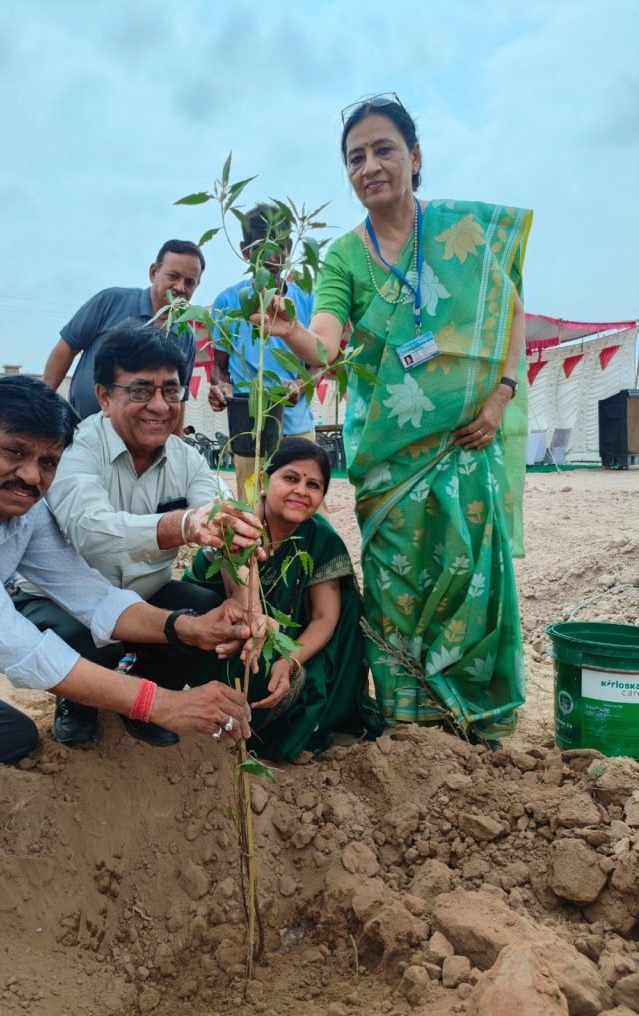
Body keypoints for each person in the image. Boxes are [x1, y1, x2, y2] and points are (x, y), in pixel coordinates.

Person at [0, 376, 257, 904]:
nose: (31, 476)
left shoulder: (21, 515)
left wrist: (184, 627)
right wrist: (159, 702)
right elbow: (9, 642)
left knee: (9, 740)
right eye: (14, 452)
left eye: (48, 462)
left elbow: (92, 595)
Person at [257, 94, 532, 746]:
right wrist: (293, 330)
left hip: (468, 440)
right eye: (355, 157)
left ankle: (477, 716)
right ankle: (410, 717)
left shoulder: (464, 232)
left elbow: (512, 313)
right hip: (388, 453)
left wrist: (500, 397)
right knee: (397, 579)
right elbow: (325, 344)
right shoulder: (343, 259)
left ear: (414, 156)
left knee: (470, 572)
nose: (370, 165)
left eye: (383, 149)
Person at [17, 323, 263, 747]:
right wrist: (181, 524)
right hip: (61, 600)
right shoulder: (75, 450)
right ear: (103, 396)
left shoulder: (189, 461)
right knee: (78, 634)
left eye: (171, 390)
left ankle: (148, 695)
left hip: (145, 595)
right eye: (139, 390)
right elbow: (90, 532)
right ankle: (78, 701)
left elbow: (226, 530)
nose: (159, 405)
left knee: (207, 609)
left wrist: (248, 608)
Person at [185, 438, 381, 762]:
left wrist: (289, 660)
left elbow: (325, 617)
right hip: (221, 634)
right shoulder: (237, 526)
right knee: (251, 663)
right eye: (291, 478)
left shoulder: (320, 536)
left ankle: (328, 717)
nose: (302, 491)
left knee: (348, 610)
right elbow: (245, 609)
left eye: (313, 485)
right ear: (264, 480)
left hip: (277, 637)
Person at [207, 203, 323, 505]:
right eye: (263, 247)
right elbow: (219, 368)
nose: (274, 257)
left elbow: (321, 360)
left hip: (296, 424)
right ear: (245, 251)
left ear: (291, 248)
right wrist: (221, 388)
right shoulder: (228, 301)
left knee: (305, 508)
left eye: (282, 245)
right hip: (248, 427)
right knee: (251, 509)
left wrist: (302, 382)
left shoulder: (307, 297)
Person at [42, 239, 205, 422]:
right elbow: (67, 348)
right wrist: (43, 405)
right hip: (82, 426)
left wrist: (176, 444)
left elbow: (179, 397)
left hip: (140, 441)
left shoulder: (186, 336)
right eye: (173, 276)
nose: (180, 288)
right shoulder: (111, 301)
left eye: (190, 282)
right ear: (153, 273)